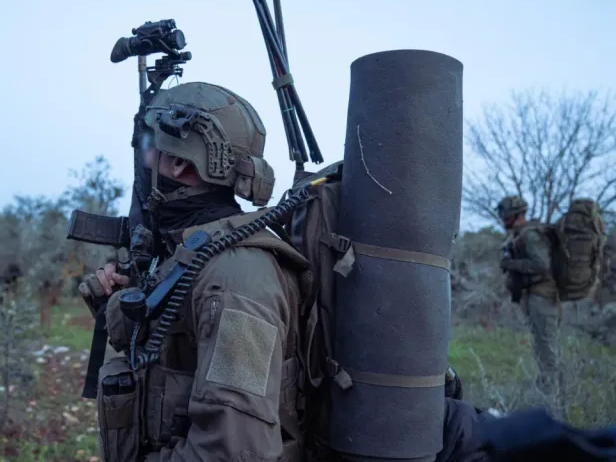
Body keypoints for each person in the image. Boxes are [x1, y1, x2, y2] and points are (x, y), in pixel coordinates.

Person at [80, 81, 494, 462]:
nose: (142, 157)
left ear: (181, 167)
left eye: (150, 145)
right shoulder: (191, 251)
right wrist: (115, 302)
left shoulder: (238, 278)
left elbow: (233, 452)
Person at [496, 196, 562, 398]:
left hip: (543, 297)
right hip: (536, 297)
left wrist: (511, 265)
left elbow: (541, 265)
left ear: (514, 214)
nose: (502, 218)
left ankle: (553, 396)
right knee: (543, 346)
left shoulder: (530, 235)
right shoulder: (520, 235)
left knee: (546, 348)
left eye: (504, 214)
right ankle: (548, 389)